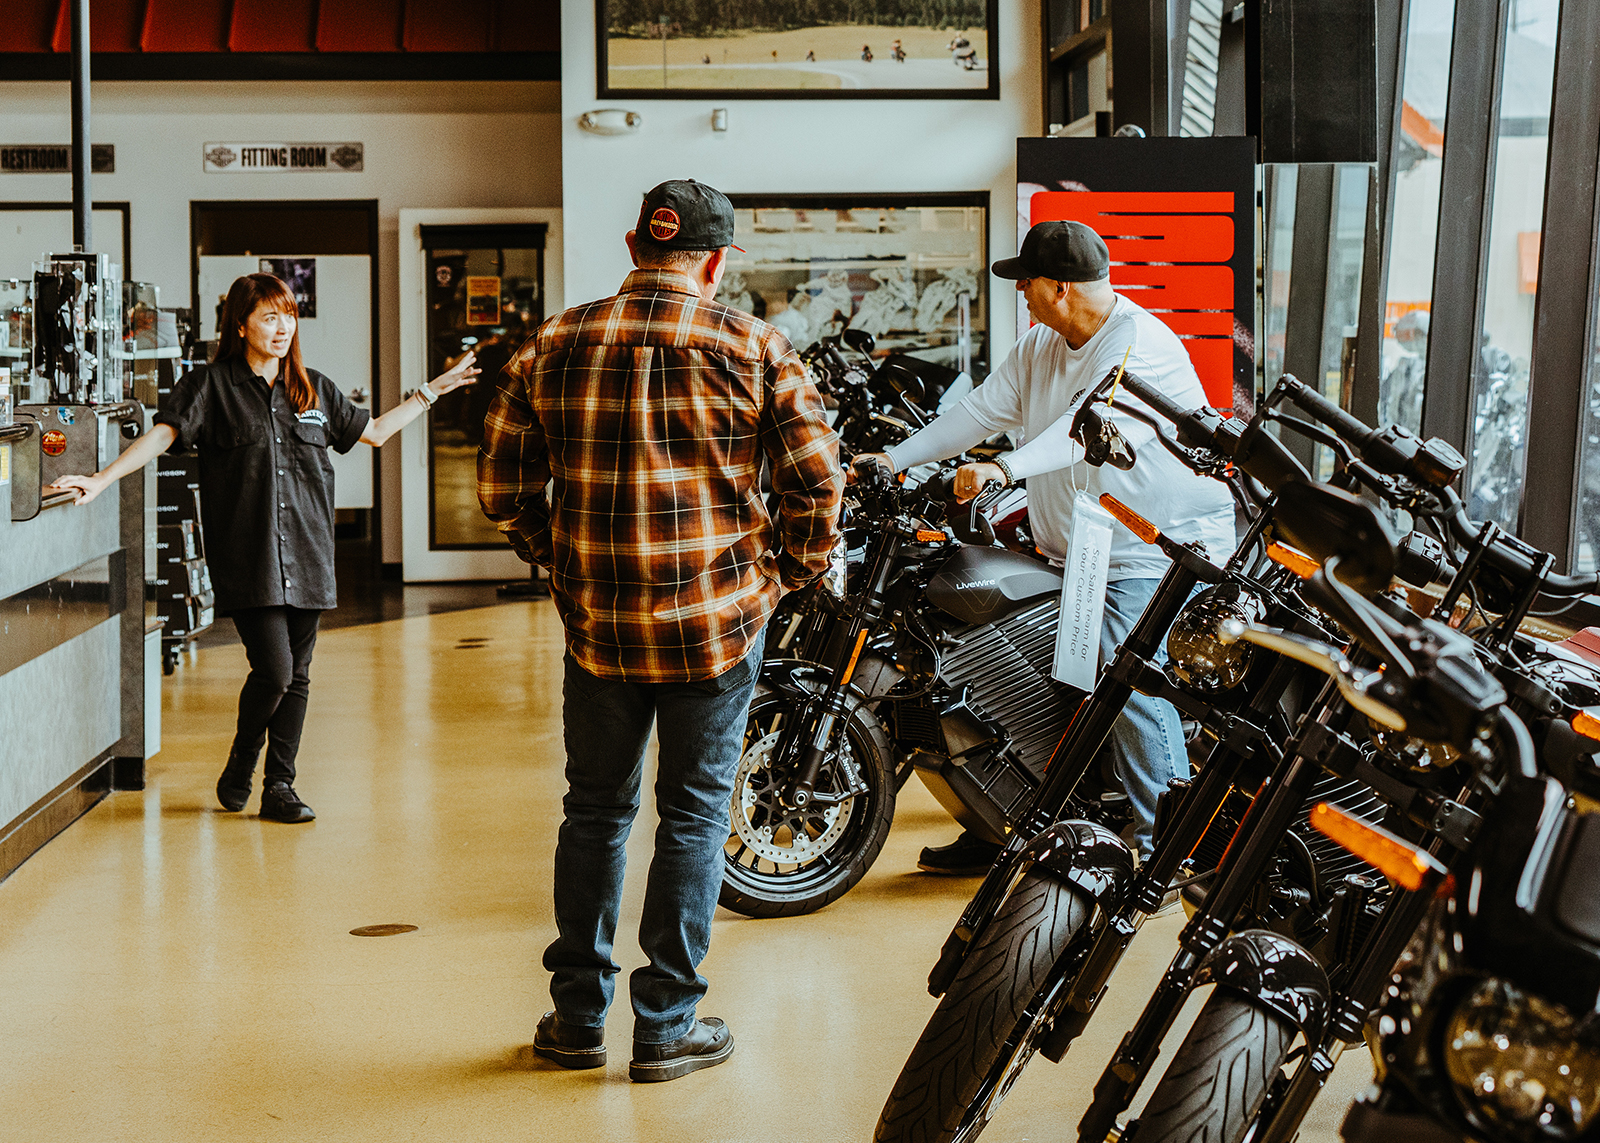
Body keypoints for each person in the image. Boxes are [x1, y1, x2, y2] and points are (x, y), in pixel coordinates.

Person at [477, 179, 842, 1082]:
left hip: (597, 622)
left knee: (595, 810)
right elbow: (818, 485)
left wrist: (559, 560)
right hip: (716, 625)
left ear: (637, 245)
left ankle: (576, 1021)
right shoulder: (756, 345)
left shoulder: (553, 340)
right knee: (692, 815)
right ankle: (665, 1025)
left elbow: (500, 487)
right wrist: (784, 575)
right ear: (714, 262)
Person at [856, 220, 1235, 873]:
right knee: (1029, 667)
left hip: (1155, 555)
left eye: (1026, 281)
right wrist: (894, 458)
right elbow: (977, 412)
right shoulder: (1042, 343)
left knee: (1126, 679)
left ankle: (1164, 847)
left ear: (1059, 287)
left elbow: (1083, 429)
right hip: (1081, 555)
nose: (1021, 292)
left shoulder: (1137, 346)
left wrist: (1006, 468)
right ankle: (1014, 820)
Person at [49, 273, 479, 823]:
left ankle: (280, 787)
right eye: (270, 316)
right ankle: (242, 759)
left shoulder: (313, 388)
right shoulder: (210, 386)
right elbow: (161, 436)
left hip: (309, 554)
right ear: (241, 323)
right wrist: (101, 479)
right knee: (275, 670)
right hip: (248, 557)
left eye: (289, 316)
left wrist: (430, 392)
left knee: (297, 676)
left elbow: (371, 432)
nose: (283, 327)